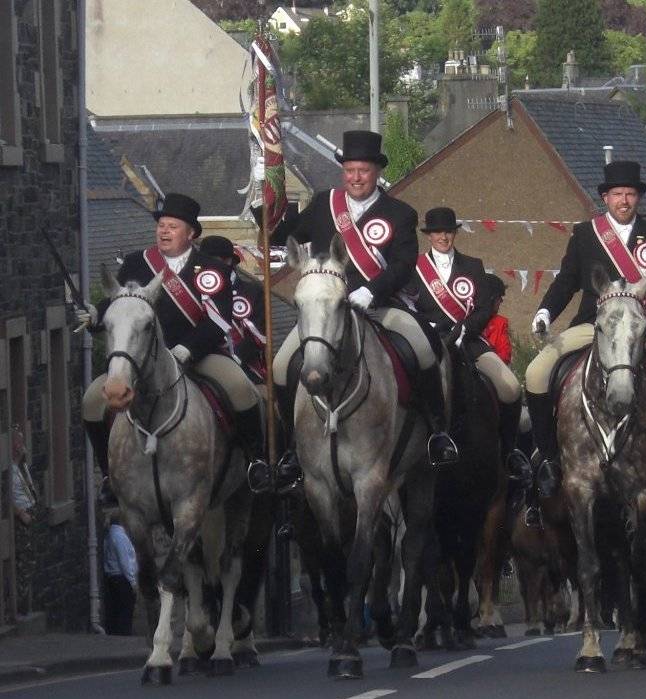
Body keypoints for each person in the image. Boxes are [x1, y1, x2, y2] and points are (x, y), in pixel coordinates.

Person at [268, 130, 456, 491]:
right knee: (281, 365)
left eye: (363, 171)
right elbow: (283, 234)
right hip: (326, 312)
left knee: (424, 346)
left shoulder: (399, 213)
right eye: (350, 170)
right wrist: (268, 206)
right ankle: (292, 450)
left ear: (375, 173)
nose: (355, 178)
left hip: (381, 306)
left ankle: (437, 433)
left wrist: (373, 290)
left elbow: (403, 263)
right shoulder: (325, 204)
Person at [525, 160, 646, 495]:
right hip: (594, 325)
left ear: (638, 198)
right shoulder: (585, 235)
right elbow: (567, 281)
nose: (624, 200)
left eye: (631, 194)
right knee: (535, 375)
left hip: (642, 328)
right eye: (618, 194)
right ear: (605, 197)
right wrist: (545, 311)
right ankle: (549, 460)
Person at [78, 194, 267, 503]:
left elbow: (220, 321)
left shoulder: (208, 268)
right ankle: (109, 476)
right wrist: (96, 314)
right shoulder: (138, 262)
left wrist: (186, 349)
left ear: (190, 233)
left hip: (198, 354)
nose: (163, 232)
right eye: (161, 225)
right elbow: (120, 303)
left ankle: (256, 463)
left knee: (241, 390)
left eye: (172, 226)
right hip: (143, 358)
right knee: (90, 402)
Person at [406, 206, 527, 475]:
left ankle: (509, 453)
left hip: (468, 340)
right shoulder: (415, 267)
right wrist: (429, 326)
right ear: (429, 236)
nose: (443, 237)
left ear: (455, 234)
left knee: (510, 388)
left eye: (448, 231)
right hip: (427, 339)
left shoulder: (473, 265)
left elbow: (485, 308)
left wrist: (464, 329)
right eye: (437, 232)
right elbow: (406, 305)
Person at [198, 235, 268, 384]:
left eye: (212, 261)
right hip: (200, 361)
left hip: (245, 366)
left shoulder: (252, 291)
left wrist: (234, 358)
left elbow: (259, 334)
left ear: (228, 261)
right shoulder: (194, 289)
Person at [103, 514, 138, 635]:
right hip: (122, 578)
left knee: (116, 609)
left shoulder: (110, 535)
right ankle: (123, 636)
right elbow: (125, 561)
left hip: (114, 577)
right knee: (125, 609)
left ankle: (117, 633)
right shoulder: (119, 537)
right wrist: (133, 581)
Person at [481, 274, 512, 366]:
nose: (501, 301)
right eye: (499, 297)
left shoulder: (500, 323)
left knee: (511, 381)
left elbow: (505, 355)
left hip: (491, 366)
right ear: (490, 298)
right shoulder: (464, 318)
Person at [9, 425, 37, 526]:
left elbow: (29, 487)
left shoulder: (23, 466)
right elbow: (6, 499)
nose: (23, 446)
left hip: (31, 512)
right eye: (20, 443)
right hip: (20, 518)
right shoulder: (9, 472)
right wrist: (21, 514)